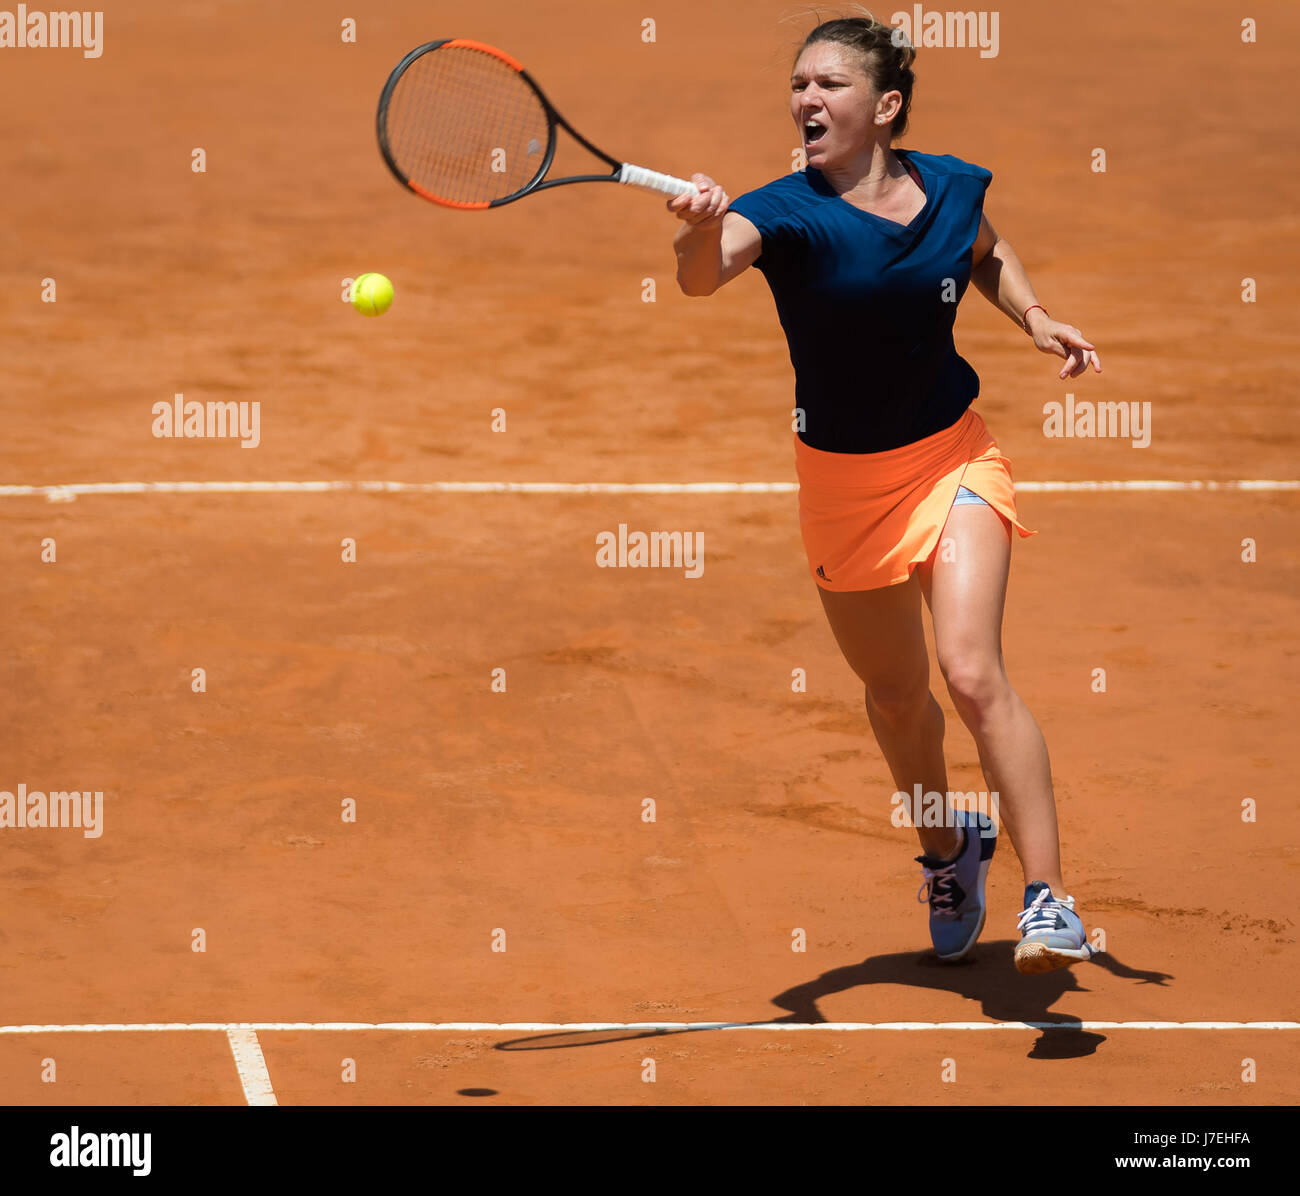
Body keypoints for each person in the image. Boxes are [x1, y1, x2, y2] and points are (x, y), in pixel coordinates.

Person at [668, 13, 1102, 974]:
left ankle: (1050, 901)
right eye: (798, 85)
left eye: (828, 84)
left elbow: (983, 252)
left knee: (970, 670)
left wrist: (1033, 316)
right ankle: (952, 851)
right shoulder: (781, 210)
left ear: (886, 105)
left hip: (952, 458)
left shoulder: (946, 185)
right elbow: (703, 281)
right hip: (842, 486)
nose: (806, 101)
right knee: (897, 698)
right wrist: (699, 232)